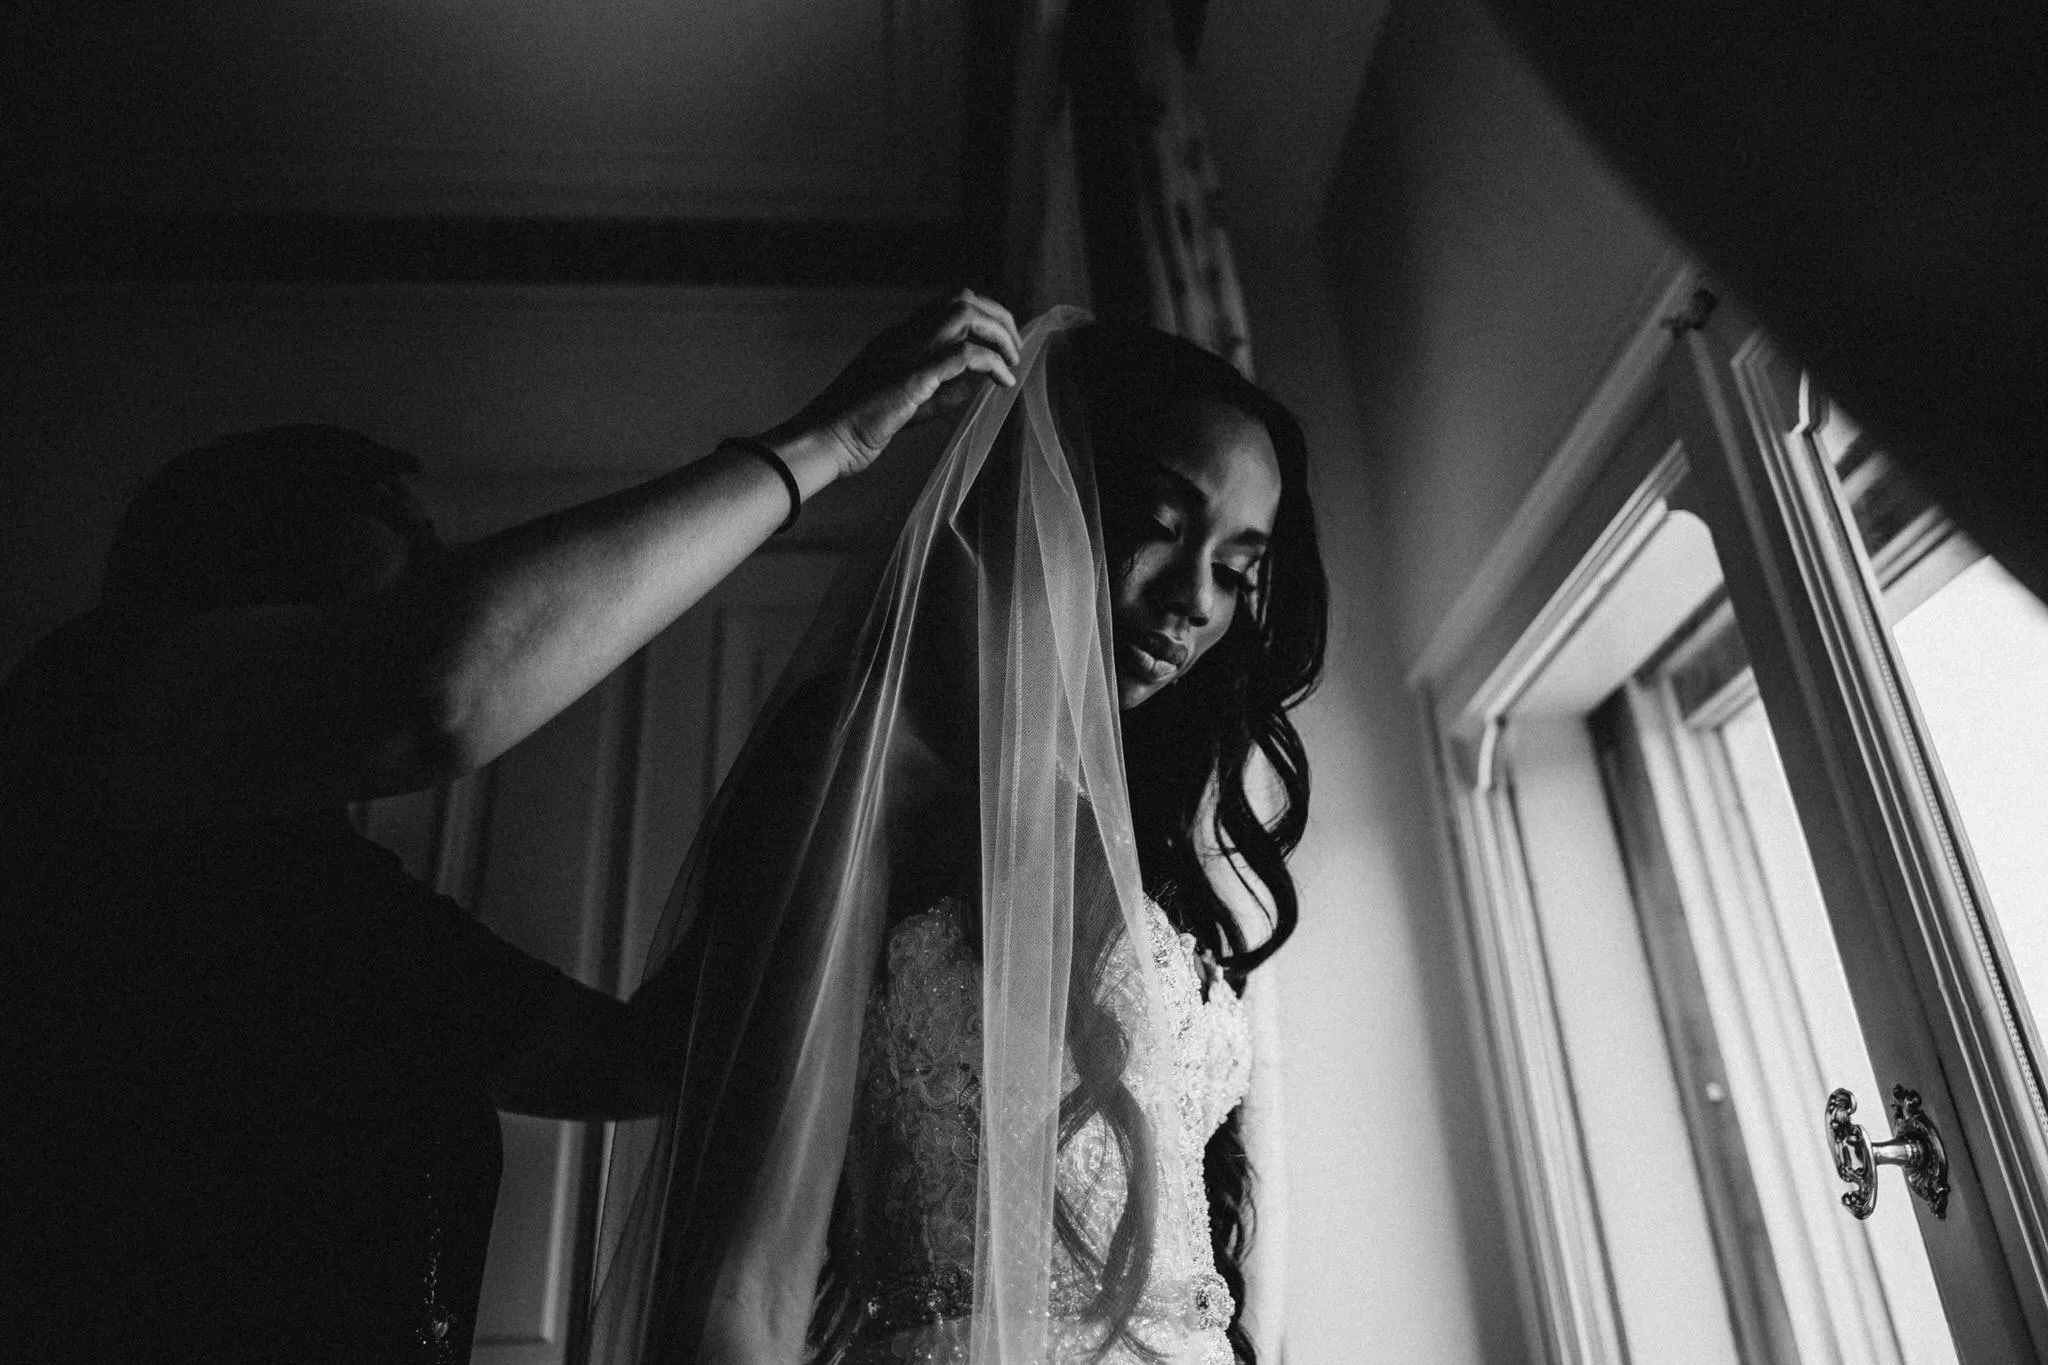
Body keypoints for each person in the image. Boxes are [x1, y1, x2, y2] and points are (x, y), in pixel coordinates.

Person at [0, 291, 1025, 1362]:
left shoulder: (345, 907)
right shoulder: (76, 714)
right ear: (247, 545)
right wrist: (824, 443)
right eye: (404, 528)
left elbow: (637, 1061)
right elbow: (435, 684)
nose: (439, 563)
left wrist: (809, 786)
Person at [587, 309, 1328, 1365]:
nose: (1191, 602)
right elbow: (741, 1287)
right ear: (1050, 496)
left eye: (1237, 571)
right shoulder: (869, 768)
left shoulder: (1153, 838)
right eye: (1162, 523)